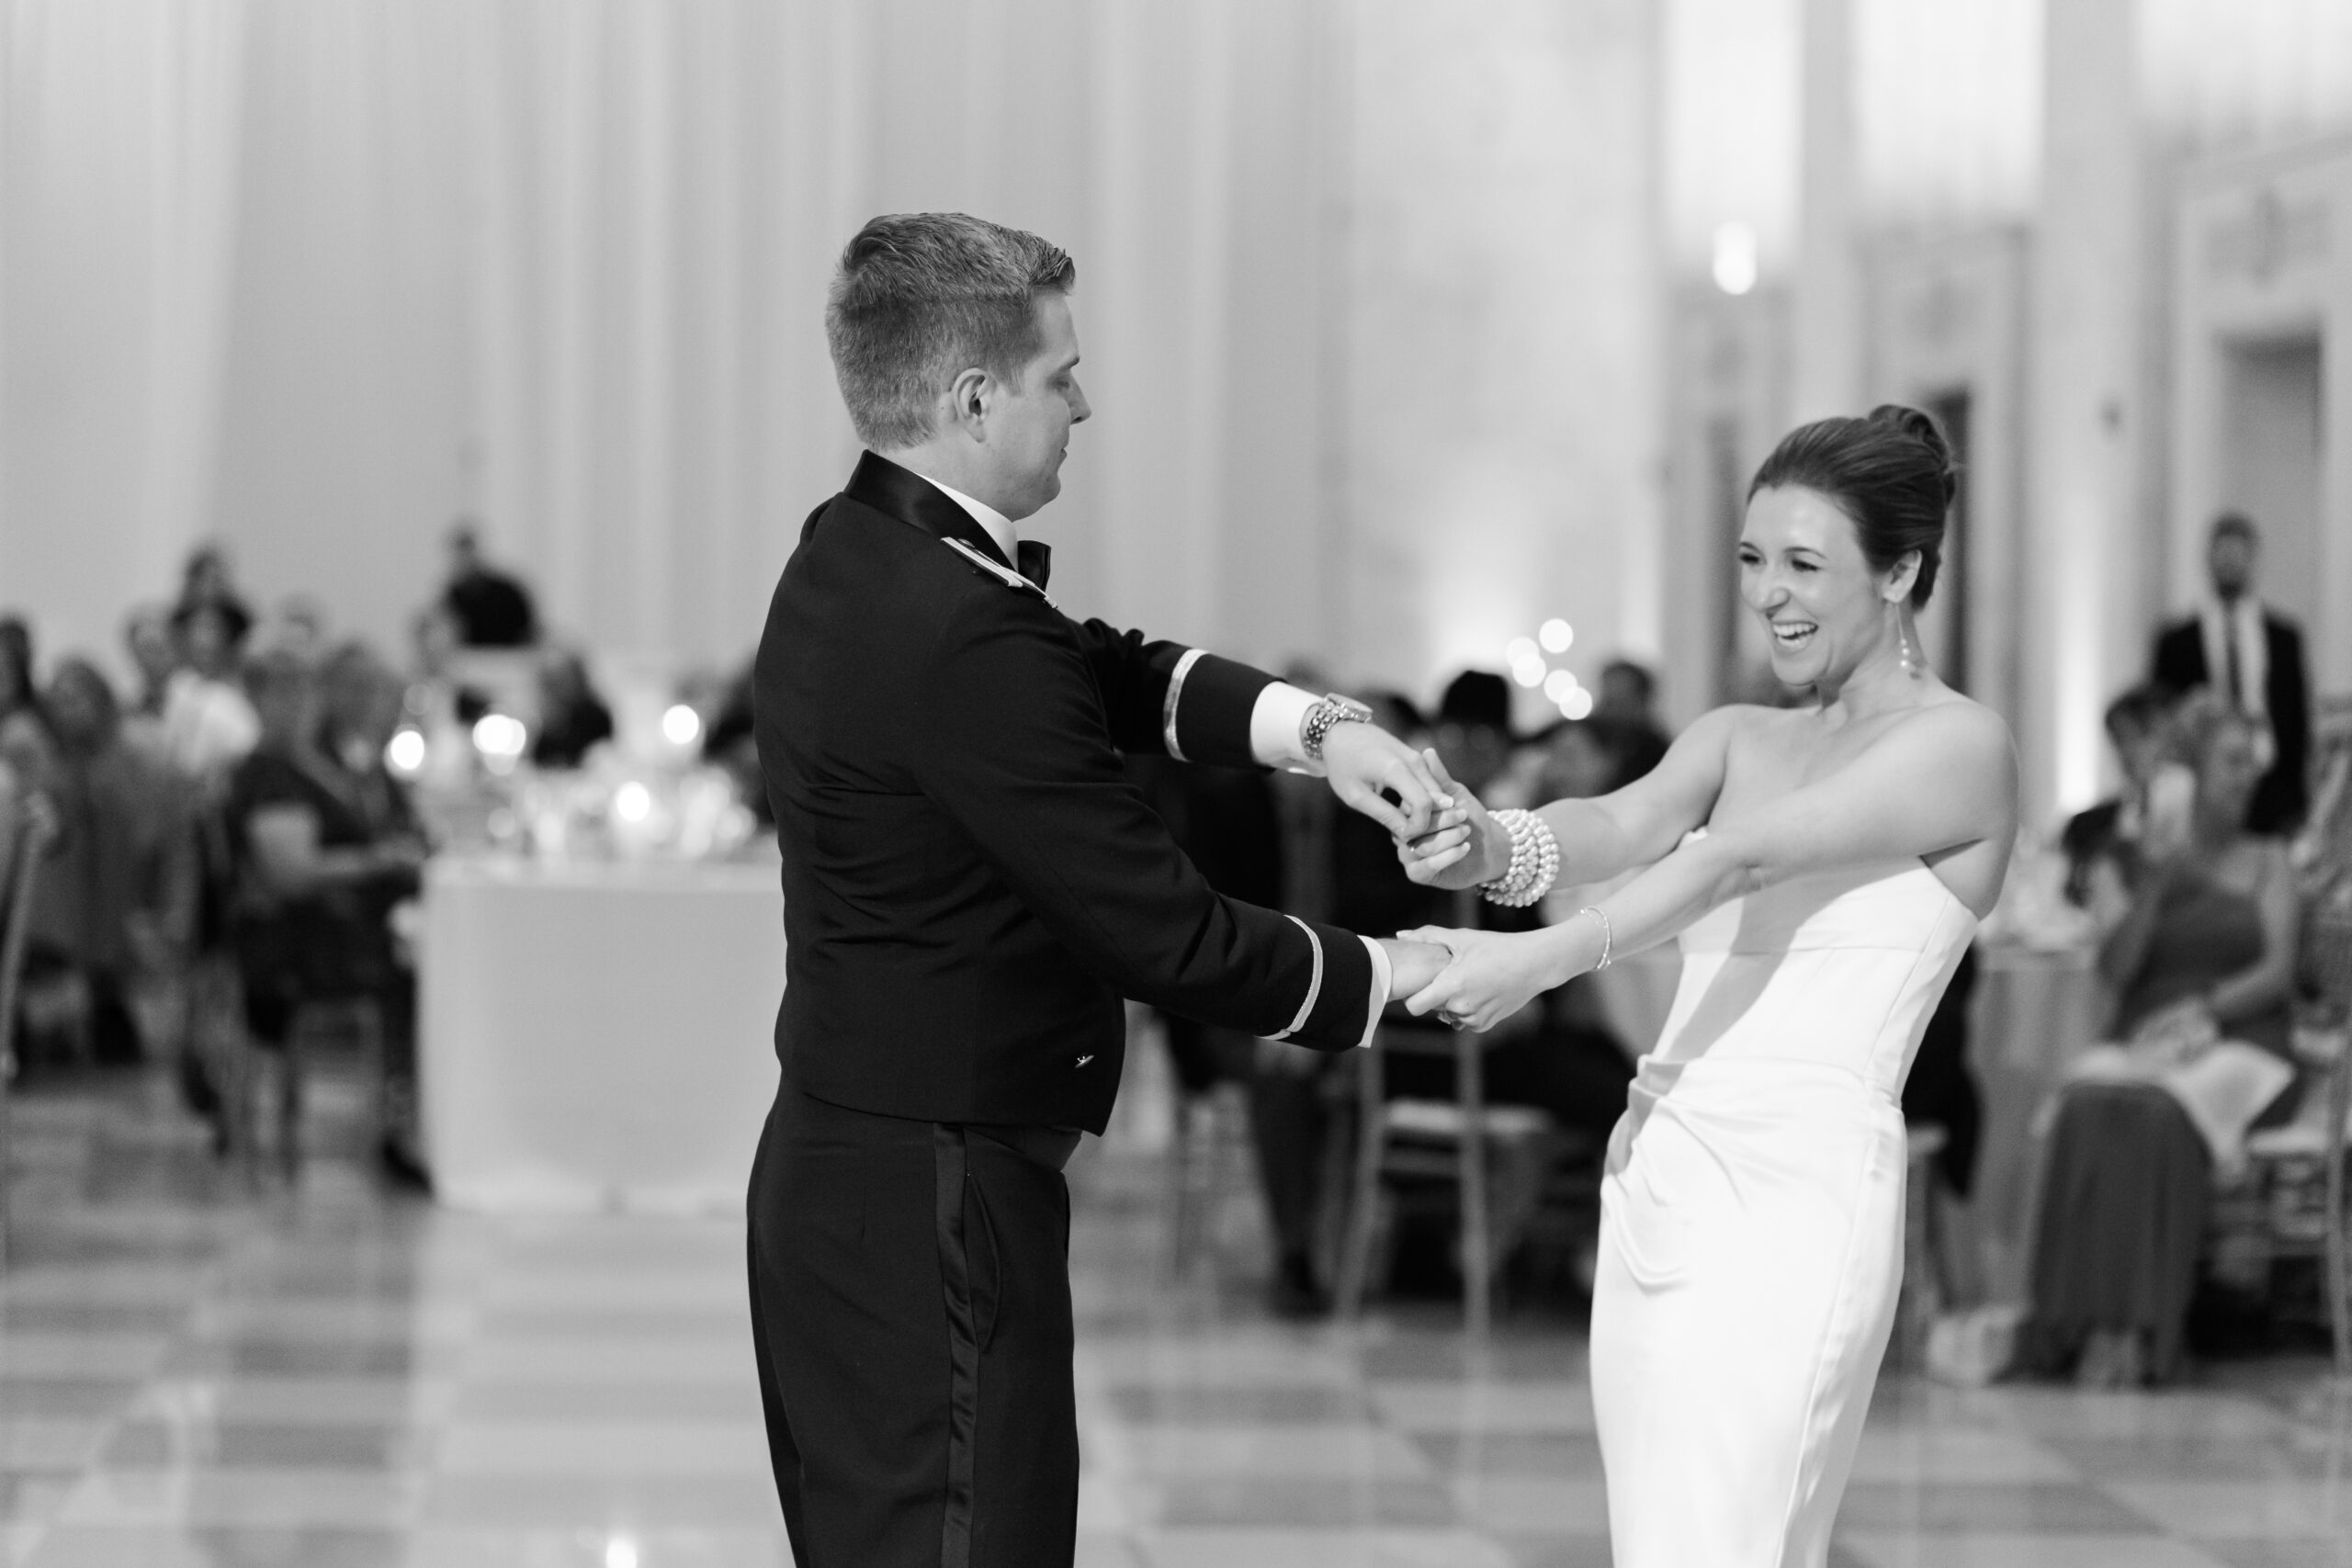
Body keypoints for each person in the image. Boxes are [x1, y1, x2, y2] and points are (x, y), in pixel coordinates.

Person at [748, 212, 1451, 1568]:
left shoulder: (857, 552)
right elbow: (1167, 934)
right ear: (970, 398)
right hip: (936, 1192)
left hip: (859, 1171)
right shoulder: (956, 629)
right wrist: (1413, 972)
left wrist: (1324, 732)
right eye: (1059, 374)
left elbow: (1104, 666)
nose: (1085, 402)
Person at [1396, 405, 2017, 1568]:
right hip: (1660, 1169)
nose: (1766, 593)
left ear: (1901, 570)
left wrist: (1532, 960)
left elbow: (1737, 856)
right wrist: (1489, 843)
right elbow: (1619, 822)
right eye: (1749, 560)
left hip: (1799, 1199)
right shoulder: (1735, 733)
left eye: (1800, 564)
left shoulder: (1961, 746)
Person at [2025, 694, 2302, 1387]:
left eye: (2252, 762)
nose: (2248, 776)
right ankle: (2080, 1325)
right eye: (2231, 762)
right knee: (2086, 1099)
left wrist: (2204, 1011)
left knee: (2157, 1112)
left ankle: (2144, 1331)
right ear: (2192, 775)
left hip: (2242, 1042)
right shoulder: (2129, 862)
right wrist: (2160, 878)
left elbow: (2276, 971)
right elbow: (2116, 968)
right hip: (2144, 1035)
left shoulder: (2269, 860)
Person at [225, 649, 426, 1183]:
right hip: (298, 941)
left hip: (339, 926)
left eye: (302, 692)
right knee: (423, 974)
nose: (298, 706)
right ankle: (402, 1128)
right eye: (283, 694)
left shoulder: (333, 765)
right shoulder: (270, 775)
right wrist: (376, 861)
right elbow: (289, 874)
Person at [17, 660, 191, 1066]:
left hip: (138, 895)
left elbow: (162, 839)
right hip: (91, 907)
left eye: (77, 698)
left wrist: (166, 912)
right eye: (60, 700)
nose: (69, 709)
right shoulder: (64, 761)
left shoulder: (138, 751)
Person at [2151, 513, 2310, 834]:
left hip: (2273, 784)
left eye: (2237, 555)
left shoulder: (2283, 636)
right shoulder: (2177, 640)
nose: (2229, 564)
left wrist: (2296, 787)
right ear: (2208, 560)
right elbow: (2164, 713)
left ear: (2252, 559)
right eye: (2222, 555)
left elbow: (2296, 716)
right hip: (2202, 784)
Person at [2061, 682, 2186, 907]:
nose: (2126, 752)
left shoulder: (2185, 797)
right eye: (2119, 740)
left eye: (2140, 736)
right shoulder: (2107, 817)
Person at [439, 523, 539, 648]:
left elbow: (528, 632)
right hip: (470, 659)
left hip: (509, 657)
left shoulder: (507, 592)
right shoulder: (454, 596)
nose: (465, 562)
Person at [529, 649, 615, 769]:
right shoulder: (547, 716)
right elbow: (538, 759)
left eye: (560, 680)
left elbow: (602, 757)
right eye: (552, 682)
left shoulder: (594, 716)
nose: (556, 688)